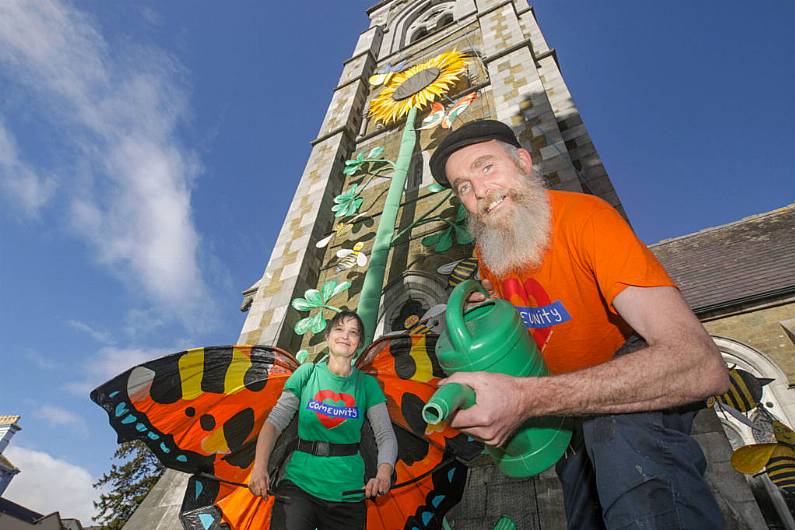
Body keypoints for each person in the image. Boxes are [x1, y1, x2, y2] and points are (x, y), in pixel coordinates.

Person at [428, 119, 730, 529]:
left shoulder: (587, 217)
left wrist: (527, 398)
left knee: (619, 436)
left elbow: (699, 363)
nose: (478, 192)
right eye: (462, 186)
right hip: (566, 414)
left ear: (523, 161)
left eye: (485, 167)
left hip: (631, 402)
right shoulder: (489, 254)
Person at [248, 310, 397, 530]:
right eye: (339, 329)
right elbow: (274, 423)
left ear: (359, 343)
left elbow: (385, 435)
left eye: (353, 332)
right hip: (299, 485)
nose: (345, 336)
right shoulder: (306, 373)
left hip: (349, 494)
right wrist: (259, 467)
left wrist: (383, 473)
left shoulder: (367, 385)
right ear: (327, 336)